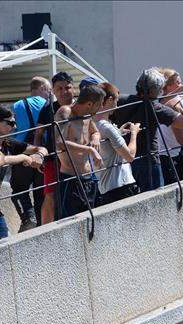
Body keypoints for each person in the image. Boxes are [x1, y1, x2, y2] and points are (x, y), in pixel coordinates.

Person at [111, 68, 183, 191]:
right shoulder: (156, 109)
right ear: (157, 90)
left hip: (123, 161)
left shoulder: (121, 101)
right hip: (148, 162)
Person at [0, 105, 46, 241]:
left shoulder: (8, 144)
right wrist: (23, 157)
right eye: (10, 123)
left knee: (6, 244)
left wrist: (39, 155)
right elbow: (2, 160)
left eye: (15, 122)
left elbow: (39, 148)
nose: (15, 127)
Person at [53, 85, 105, 218]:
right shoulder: (65, 112)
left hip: (89, 178)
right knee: (69, 222)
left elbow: (96, 132)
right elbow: (59, 142)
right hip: (70, 179)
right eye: (98, 105)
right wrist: (89, 149)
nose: (100, 109)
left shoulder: (87, 115)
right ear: (89, 103)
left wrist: (95, 139)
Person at [9, 77, 51, 231]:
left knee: (19, 189)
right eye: (48, 90)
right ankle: (40, 224)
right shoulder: (48, 105)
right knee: (41, 192)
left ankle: (28, 216)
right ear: (42, 88)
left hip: (23, 153)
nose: (49, 94)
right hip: (43, 155)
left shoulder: (17, 105)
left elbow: (13, 129)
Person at [36, 71, 76, 224]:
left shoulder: (81, 107)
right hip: (53, 159)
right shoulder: (48, 109)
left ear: (73, 89)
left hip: (78, 159)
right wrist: (40, 156)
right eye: (59, 88)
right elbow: (38, 134)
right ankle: (46, 231)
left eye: (67, 87)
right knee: (50, 194)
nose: (64, 91)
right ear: (53, 91)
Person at [94, 82, 141, 206]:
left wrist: (118, 132)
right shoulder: (106, 127)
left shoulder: (92, 125)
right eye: (116, 100)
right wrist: (134, 133)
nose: (116, 105)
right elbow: (130, 156)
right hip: (121, 186)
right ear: (109, 100)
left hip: (105, 188)